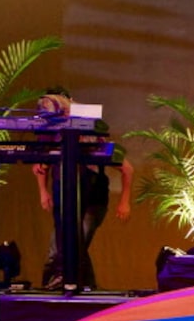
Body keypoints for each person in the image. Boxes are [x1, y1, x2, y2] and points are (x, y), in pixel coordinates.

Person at [33, 88, 133, 291]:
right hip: (66, 200)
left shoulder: (92, 137)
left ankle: (77, 284)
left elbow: (127, 169)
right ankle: (64, 286)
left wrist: (125, 201)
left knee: (76, 242)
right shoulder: (51, 134)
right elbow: (40, 165)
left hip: (92, 201)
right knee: (59, 247)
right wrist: (43, 191)